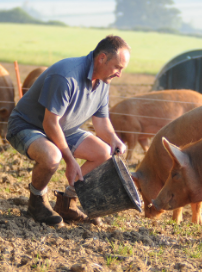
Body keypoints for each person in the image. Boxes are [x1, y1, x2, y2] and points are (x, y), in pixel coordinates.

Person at [6, 35, 130, 226]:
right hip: (28, 126)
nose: (119, 73)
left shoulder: (103, 83)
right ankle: (36, 201)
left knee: (103, 152)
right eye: (118, 67)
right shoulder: (67, 76)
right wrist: (70, 159)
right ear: (102, 58)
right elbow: (50, 124)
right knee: (52, 156)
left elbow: (102, 125)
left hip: (65, 129)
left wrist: (115, 140)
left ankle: (67, 202)